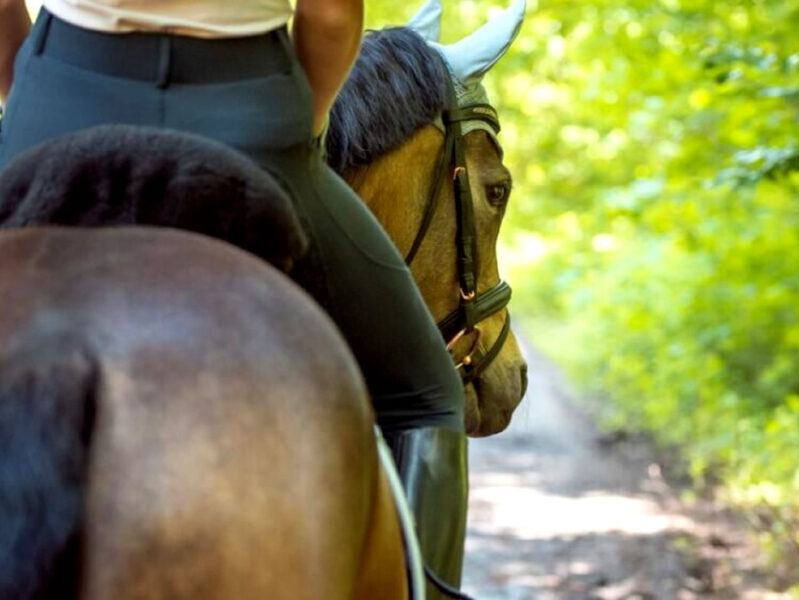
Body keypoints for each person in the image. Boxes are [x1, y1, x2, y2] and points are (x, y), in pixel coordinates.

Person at [0, 0, 469, 593]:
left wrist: (26, 101)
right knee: (426, 393)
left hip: (58, 101)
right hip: (249, 116)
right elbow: (330, 17)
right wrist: (300, 133)